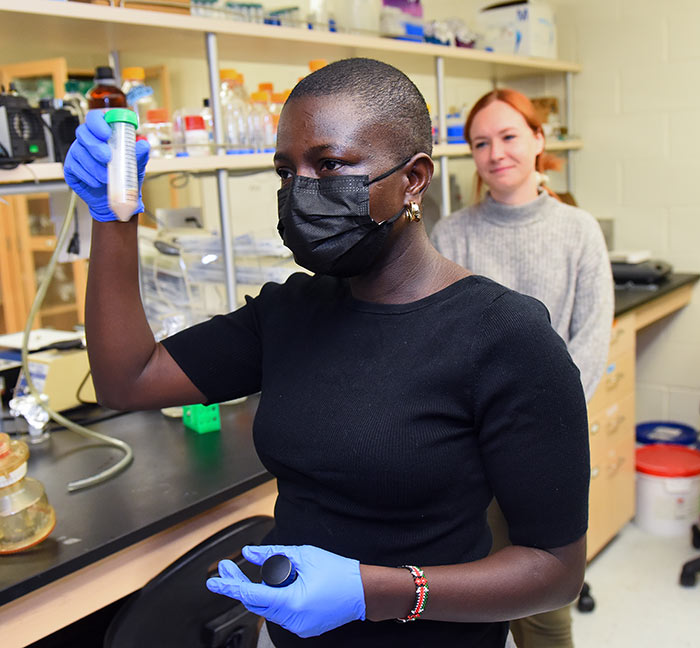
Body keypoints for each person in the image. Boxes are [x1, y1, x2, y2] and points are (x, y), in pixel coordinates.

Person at [64, 59, 590, 648]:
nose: (300, 192)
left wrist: (373, 591)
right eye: (286, 173)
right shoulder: (288, 312)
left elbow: (555, 572)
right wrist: (113, 219)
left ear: (414, 178)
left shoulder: (506, 337)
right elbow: (127, 380)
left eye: (330, 164)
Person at [431, 89, 614, 648]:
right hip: (464, 442)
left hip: (546, 441)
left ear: (538, 140)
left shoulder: (578, 230)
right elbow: (434, 341)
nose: (495, 153)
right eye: (480, 143)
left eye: (509, 136)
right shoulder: (450, 235)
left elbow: (591, 338)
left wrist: (538, 422)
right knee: (469, 590)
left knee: (543, 597)